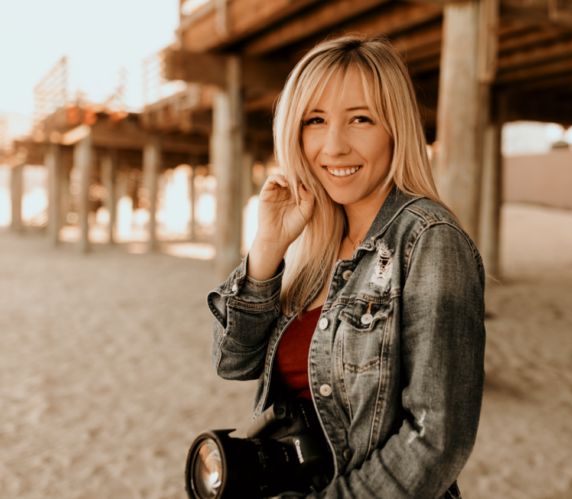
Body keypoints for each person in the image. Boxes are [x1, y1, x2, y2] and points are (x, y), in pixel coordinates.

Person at [206, 34, 485, 498]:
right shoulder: (314, 244)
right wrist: (267, 249)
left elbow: (438, 438)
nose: (333, 146)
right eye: (315, 120)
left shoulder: (428, 240)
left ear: (395, 129)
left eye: (360, 119)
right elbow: (231, 361)